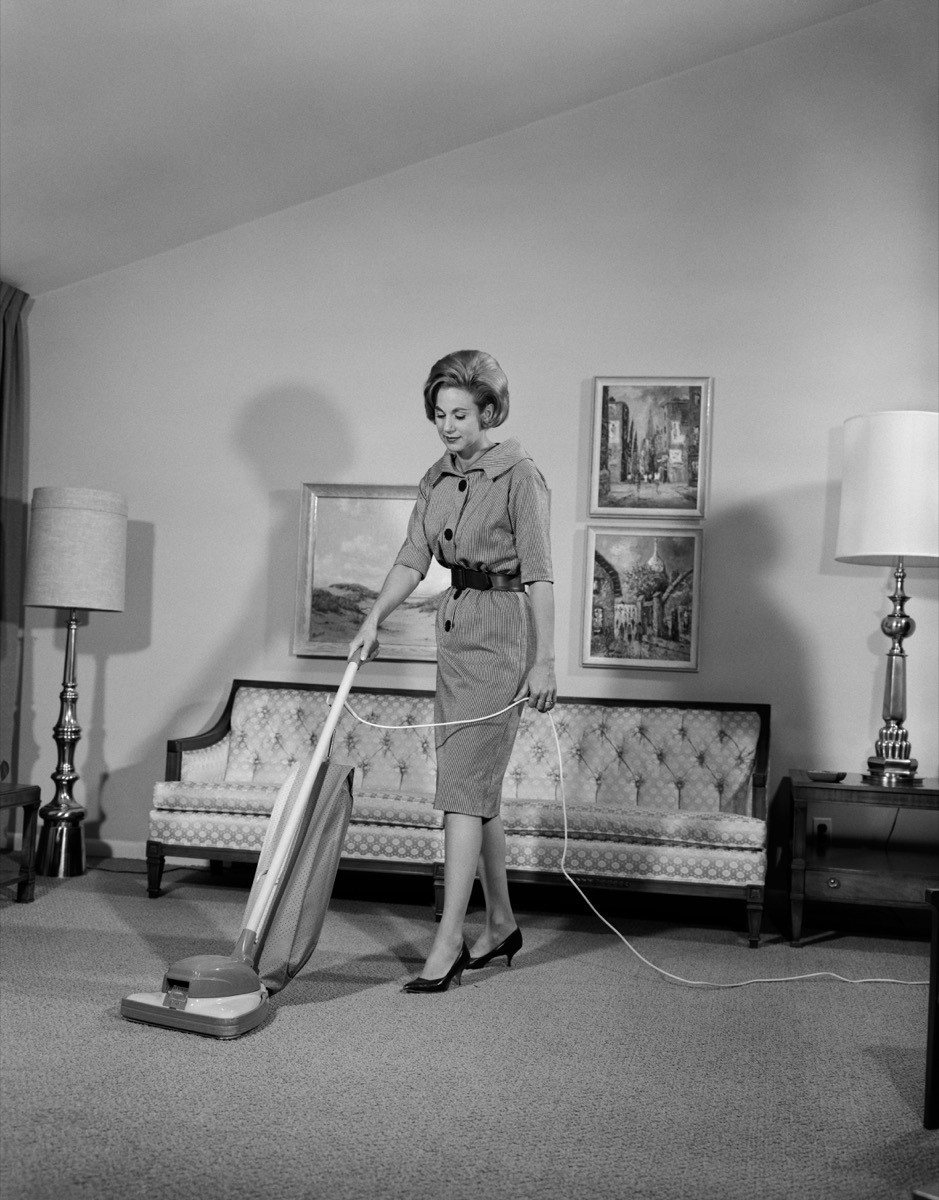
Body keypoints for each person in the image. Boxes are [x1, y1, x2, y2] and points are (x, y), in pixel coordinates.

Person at [349, 349, 556, 993]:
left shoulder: (520, 474)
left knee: (462, 790)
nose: (446, 425)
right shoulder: (435, 479)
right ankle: (500, 922)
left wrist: (545, 659)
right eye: (438, 413)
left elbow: (540, 574)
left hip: (501, 636)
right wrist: (373, 618)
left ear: (488, 410)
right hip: (454, 632)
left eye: (459, 413)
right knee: (475, 790)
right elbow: (413, 558)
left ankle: (449, 941)